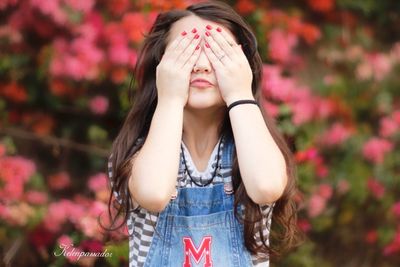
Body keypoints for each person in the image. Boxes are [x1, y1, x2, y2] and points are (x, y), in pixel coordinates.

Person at [106, 1, 301, 266]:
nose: (200, 66)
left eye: (217, 53)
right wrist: (170, 99)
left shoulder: (253, 147)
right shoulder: (139, 152)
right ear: (160, 66)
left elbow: (266, 186)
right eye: (186, 53)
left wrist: (240, 93)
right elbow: (153, 192)